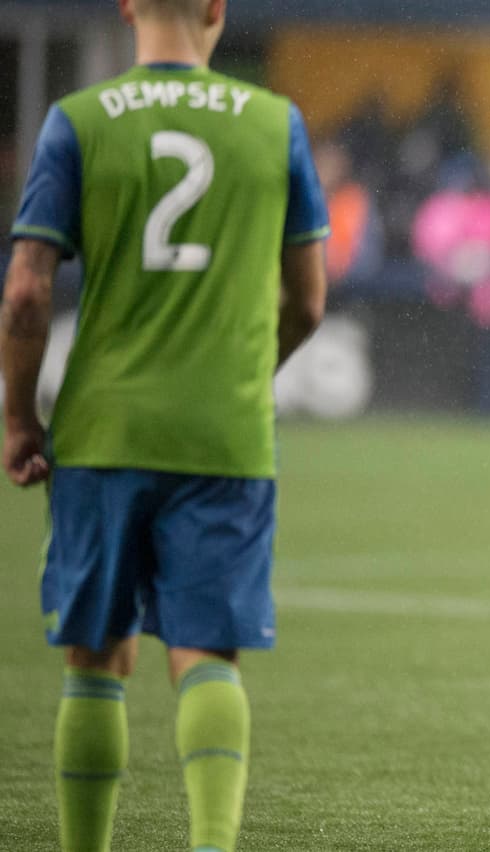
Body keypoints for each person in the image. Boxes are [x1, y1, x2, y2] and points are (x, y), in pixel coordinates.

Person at [1, 1, 328, 850]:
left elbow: (28, 291)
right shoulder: (274, 122)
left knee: (97, 657)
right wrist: (244, 375)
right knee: (207, 654)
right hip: (224, 433)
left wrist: (16, 418)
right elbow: (308, 301)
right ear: (217, 8)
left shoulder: (75, 121)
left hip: (102, 427)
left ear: (128, 6)